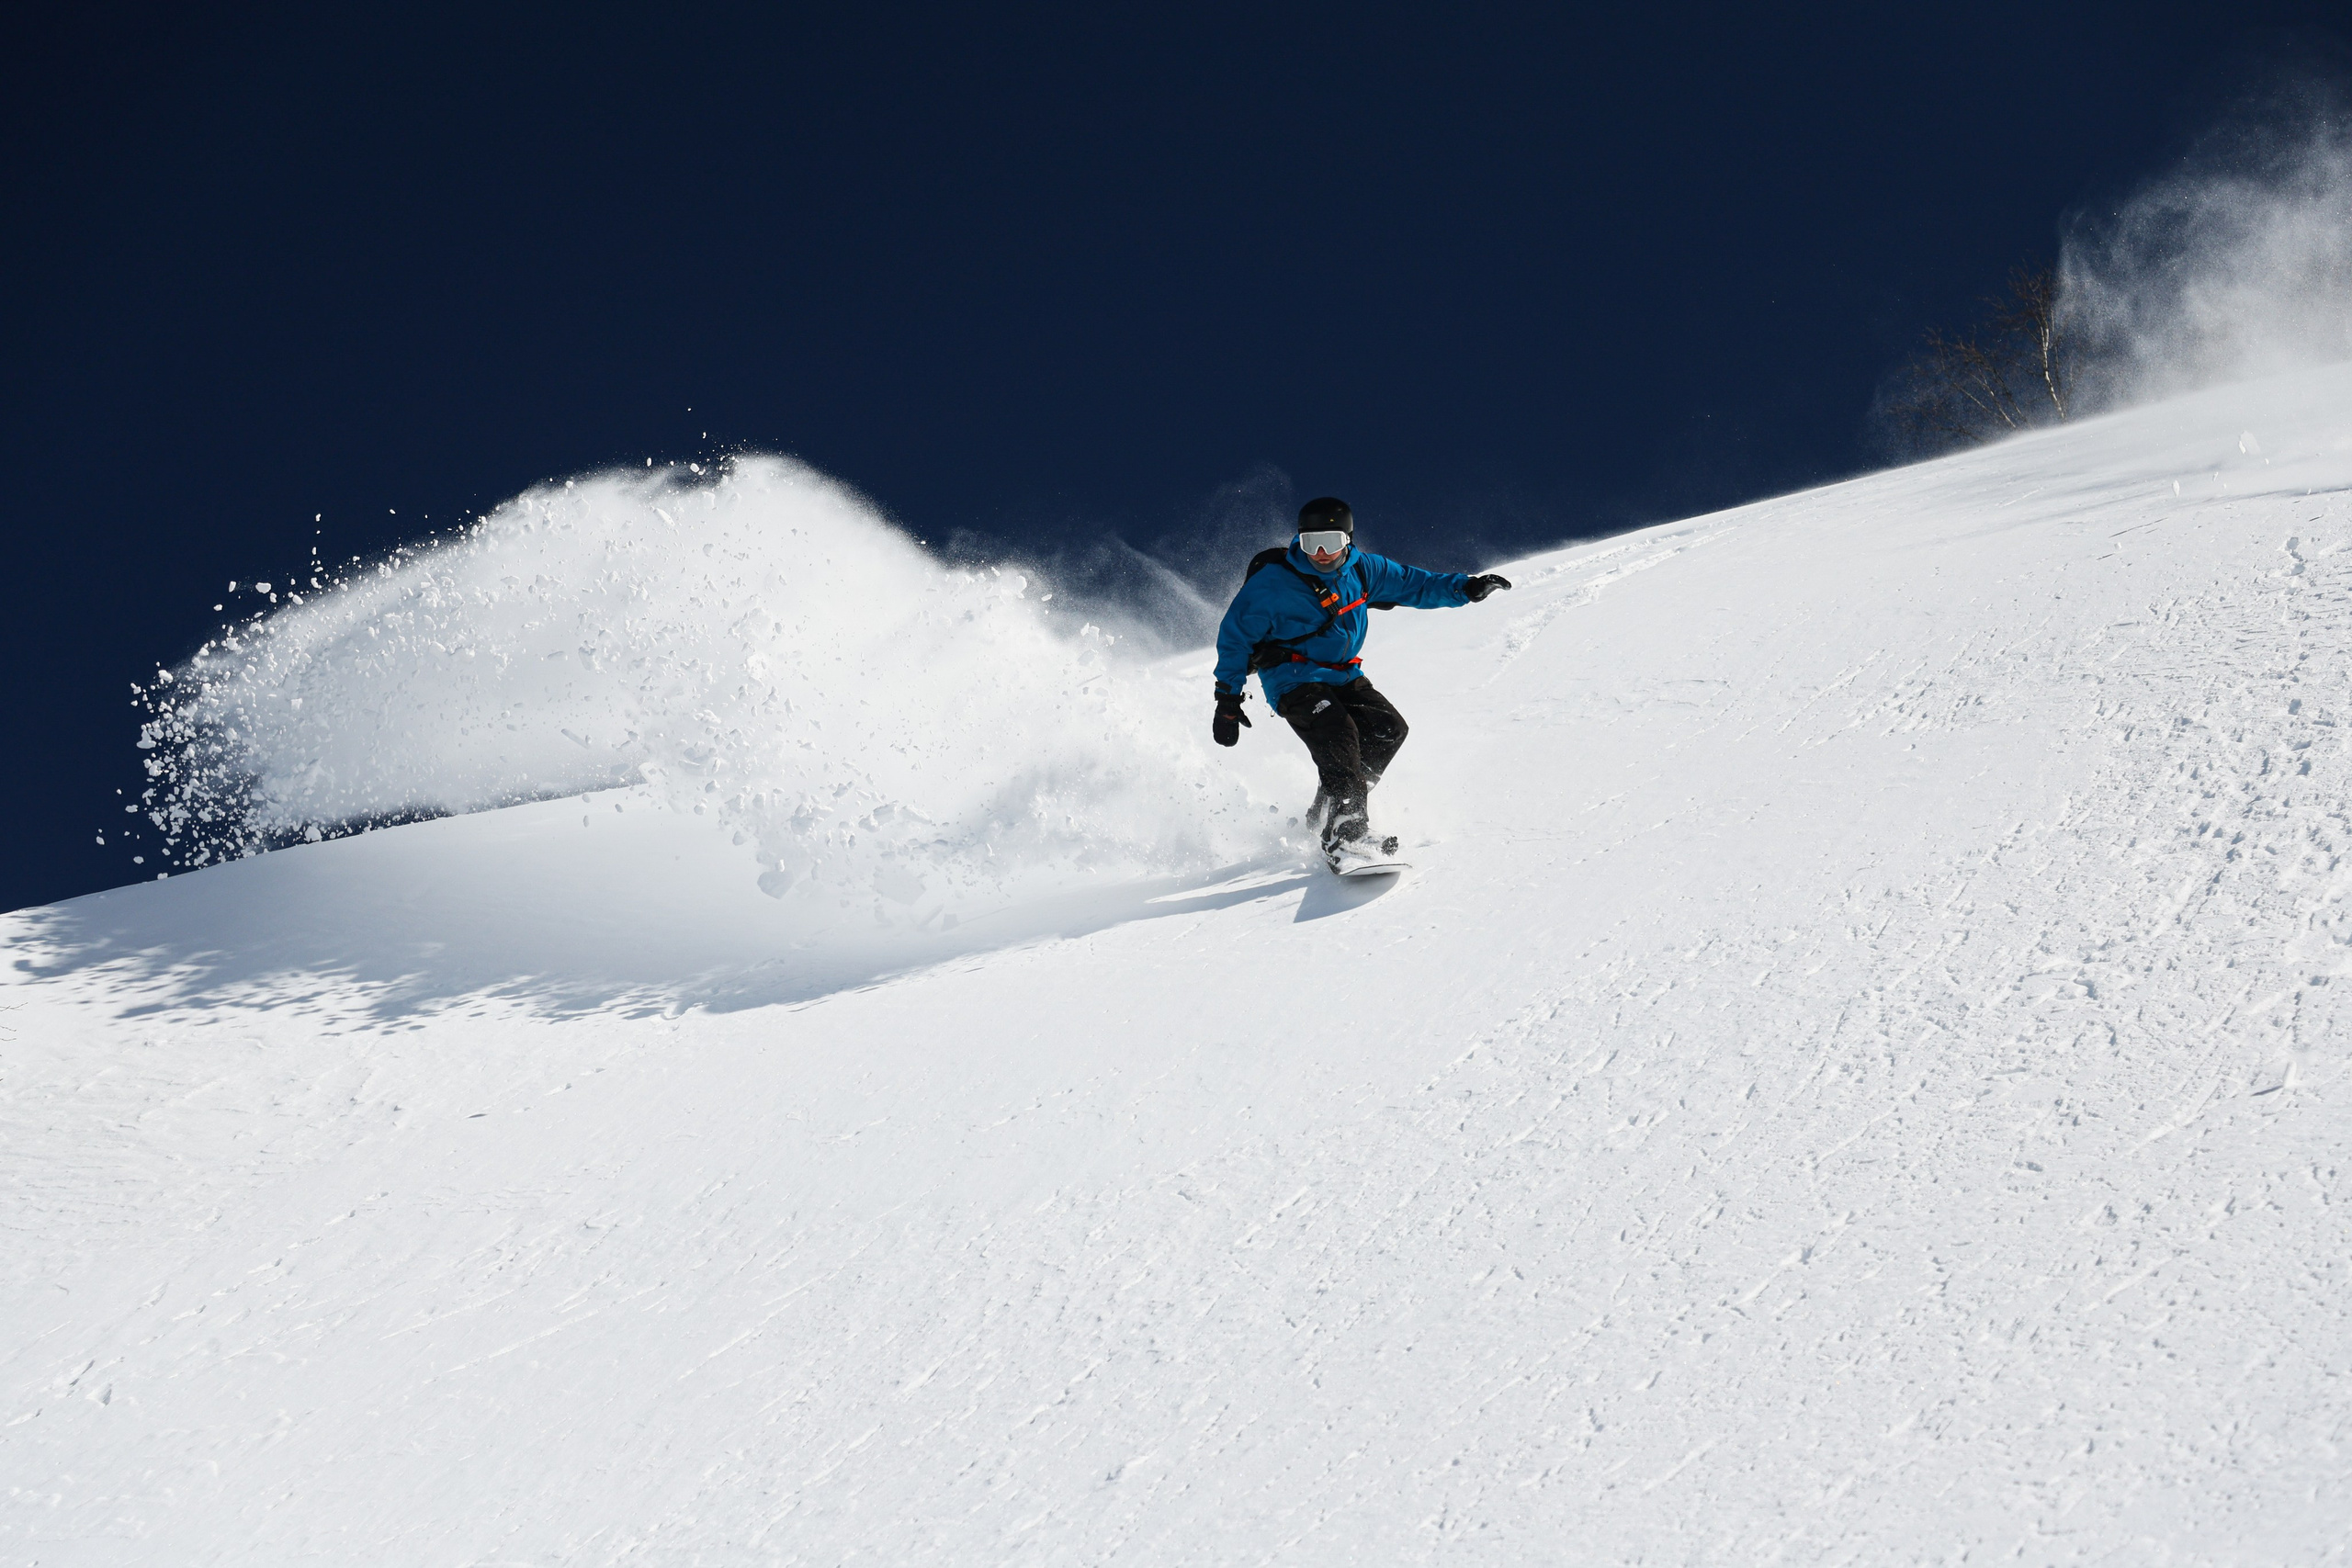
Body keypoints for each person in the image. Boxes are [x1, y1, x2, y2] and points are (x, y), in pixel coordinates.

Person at [1211, 497, 1510, 872]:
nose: (1321, 553)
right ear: (1299, 540)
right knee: (1338, 732)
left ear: (1348, 540)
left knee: (1389, 729)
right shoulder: (1272, 585)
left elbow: (1413, 584)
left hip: (1342, 674)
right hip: (1292, 678)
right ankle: (1346, 834)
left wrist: (1465, 589)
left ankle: (1330, 805)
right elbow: (1234, 639)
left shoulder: (1364, 570)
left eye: (1331, 542)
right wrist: (1227, 701)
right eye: (1311, 543)